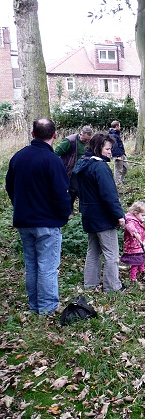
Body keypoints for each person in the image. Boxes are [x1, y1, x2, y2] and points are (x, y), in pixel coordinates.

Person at [5, 118, 72, 315]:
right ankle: (48, 309)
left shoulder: (18, 157)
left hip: (24, 221)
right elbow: (62, 194)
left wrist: (20, 206)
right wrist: (63, 216)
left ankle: (35, 306)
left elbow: (10, 187)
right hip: (47, 223)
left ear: (32, 134)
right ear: (55, 135)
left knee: (32, 264)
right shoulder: (53, 161)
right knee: (47, 267)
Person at [73, 133, 126, 293]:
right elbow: (109, 195)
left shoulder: (83, 163)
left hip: (88, 213)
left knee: (93, 250)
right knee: (111, 253)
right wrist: (119, 215)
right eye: (108, 149)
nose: (110, 152)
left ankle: (90, 284)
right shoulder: (100, 167)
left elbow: (75, 189)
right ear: (98, 148)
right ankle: (112, 287)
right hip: (102, 216)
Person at [55, 125, 93, 207]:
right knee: (74, 189)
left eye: (88, 140)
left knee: (83, 189)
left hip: (83, 169)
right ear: (80, 134)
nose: (86, 141)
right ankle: (69, 208)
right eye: (84, 139)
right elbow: (56, 153)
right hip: (71, 169)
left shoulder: (90, 142)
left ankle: (83, 207)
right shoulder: (69, 141)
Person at [120, 201, 145, 282]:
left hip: (139, 245)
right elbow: (130, 228)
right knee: (136, 262)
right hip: (133, 246)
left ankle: (142, 271)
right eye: (143, 215)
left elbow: (142, 232)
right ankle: (133, 278)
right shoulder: (130, 221)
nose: (144, 218)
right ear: (136, 213)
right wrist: (135, 233)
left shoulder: (138, 221)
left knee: (141, 259)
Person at [109, 120, 128, 185]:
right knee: (118, 170)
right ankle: (118, 183)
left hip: (121, 154)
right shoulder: (113, 135)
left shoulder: (116, 134)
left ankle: (120, 181)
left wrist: (123, 153)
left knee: (125, 168)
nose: (120, 127)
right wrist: (117, 156)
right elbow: (114, 147)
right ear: (117, 126)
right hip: (118, 155)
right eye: (119, 126)